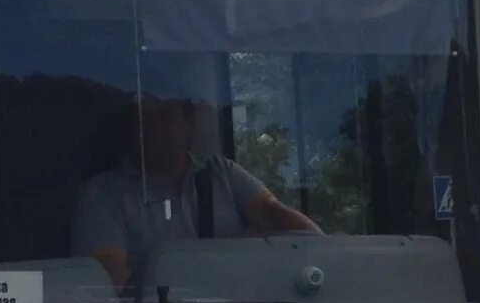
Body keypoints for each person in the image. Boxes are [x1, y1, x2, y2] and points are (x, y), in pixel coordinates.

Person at [74, 79, 320, 290]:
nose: (150, 126)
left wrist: (328, 254)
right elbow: (111, 289)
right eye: (140, 118)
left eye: (164, 115)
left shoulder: (222, 173)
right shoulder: (102, 195)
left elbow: (275, 216)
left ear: (189, 126)